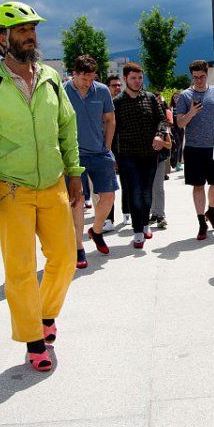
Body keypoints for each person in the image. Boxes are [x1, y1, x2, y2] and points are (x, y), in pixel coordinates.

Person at [0, 0, 84, 372]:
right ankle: (34, 339)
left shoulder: (50, 77)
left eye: (33, 29)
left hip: (53, 183)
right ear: (2, 38)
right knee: (20, 269)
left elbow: (66, 125)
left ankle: (45, 314)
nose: (31, 36)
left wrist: (75, 170)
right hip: (9, 188)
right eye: (22, 30)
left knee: (64, 260)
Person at [64, 55, 117, 268]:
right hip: (73, 155)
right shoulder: (63, 91)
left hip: (99, 152)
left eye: (91, 79)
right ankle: (78, 247)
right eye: (84, 79)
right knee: (77, 201)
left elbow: (110, 119)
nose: (88, 83)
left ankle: (95, 230)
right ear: (74, 74)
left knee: (109, 196)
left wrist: (108, 147)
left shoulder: (102, 91)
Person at [112, 63, 169, 249]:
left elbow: (162, 119)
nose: (137, 81)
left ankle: (145, 224)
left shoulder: (151, 98)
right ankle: (137, 230)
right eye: (133, 78)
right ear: (125, 79)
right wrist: (112, 156)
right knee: (135, 192)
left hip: (150, 153)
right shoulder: (118, 102)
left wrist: (159, 135)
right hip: (128, 155)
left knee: (147, 192)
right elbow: (112, 130)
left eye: (139, 78)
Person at [175, 59, 214, 240]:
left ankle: (211, 212)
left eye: (202, 76)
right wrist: (191, 113)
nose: (199, 80)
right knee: (198, 185)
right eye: (195, 77)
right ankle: (201, 222)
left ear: (207, 75)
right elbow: (179, 123)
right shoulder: (185, 96)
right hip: (194, 148)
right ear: (192, 76)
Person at [149, 92, 173, 228]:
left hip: (159, 160)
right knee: (149, 188)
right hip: (145, 159)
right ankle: (153, 213)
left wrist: (159, 141)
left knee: (158, 188)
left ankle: (161, 215)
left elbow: (169, 144)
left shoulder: (163, 125)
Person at [106, 74, 126, 228]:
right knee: (109, 186)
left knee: (127, 182)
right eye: (114, 85)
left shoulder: (126, 103)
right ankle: (109, 219)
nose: (117, 88)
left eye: (119, 85)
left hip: (125, 148)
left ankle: (127, 213)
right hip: (108, 148)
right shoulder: (103, 104)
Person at [169, 94, 185, 172]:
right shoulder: (171, 107)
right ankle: (174, 162)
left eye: (177, 97)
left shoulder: (182, 107)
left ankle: (178, 163)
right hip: (174, 129)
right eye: (174, 97)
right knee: (177, 145)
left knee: (181, 145)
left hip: (181, 128)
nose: (176, 98)